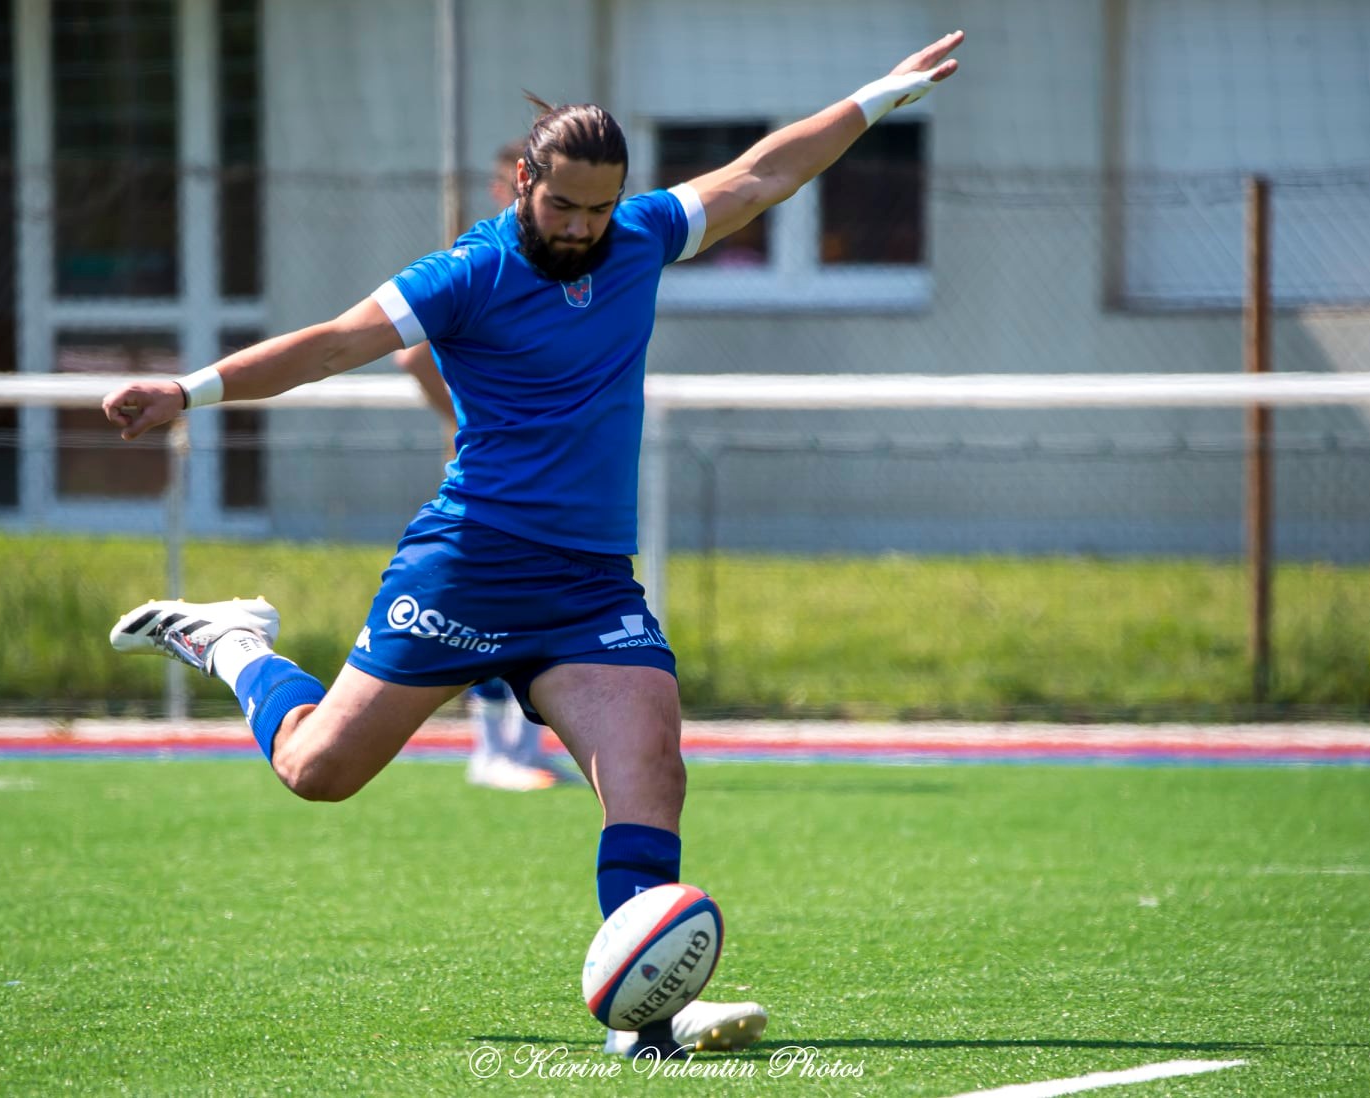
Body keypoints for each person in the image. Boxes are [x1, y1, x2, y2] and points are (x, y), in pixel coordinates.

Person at [103, 31, 963, 1058]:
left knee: (650, 757)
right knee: (319, 769)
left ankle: (648, 1013)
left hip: (588, 587)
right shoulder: (467, 271)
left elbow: (763, 173)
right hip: (468, 563)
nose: (585, 226)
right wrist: (189, 390)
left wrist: (874, 96)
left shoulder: (641, 235)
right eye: (565, 205)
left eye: (601, 208)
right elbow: (332, 343)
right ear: (527, 178)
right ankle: (236, 643)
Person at [394, 140, 579, 792]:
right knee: (485, 614)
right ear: (513, 189)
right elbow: (408, 356)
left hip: (549, 487)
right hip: (490, 485)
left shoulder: (565, 273)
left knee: (539, 615)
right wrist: (466, 416)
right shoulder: (478, 263)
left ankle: (522, 748)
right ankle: (491, 750)